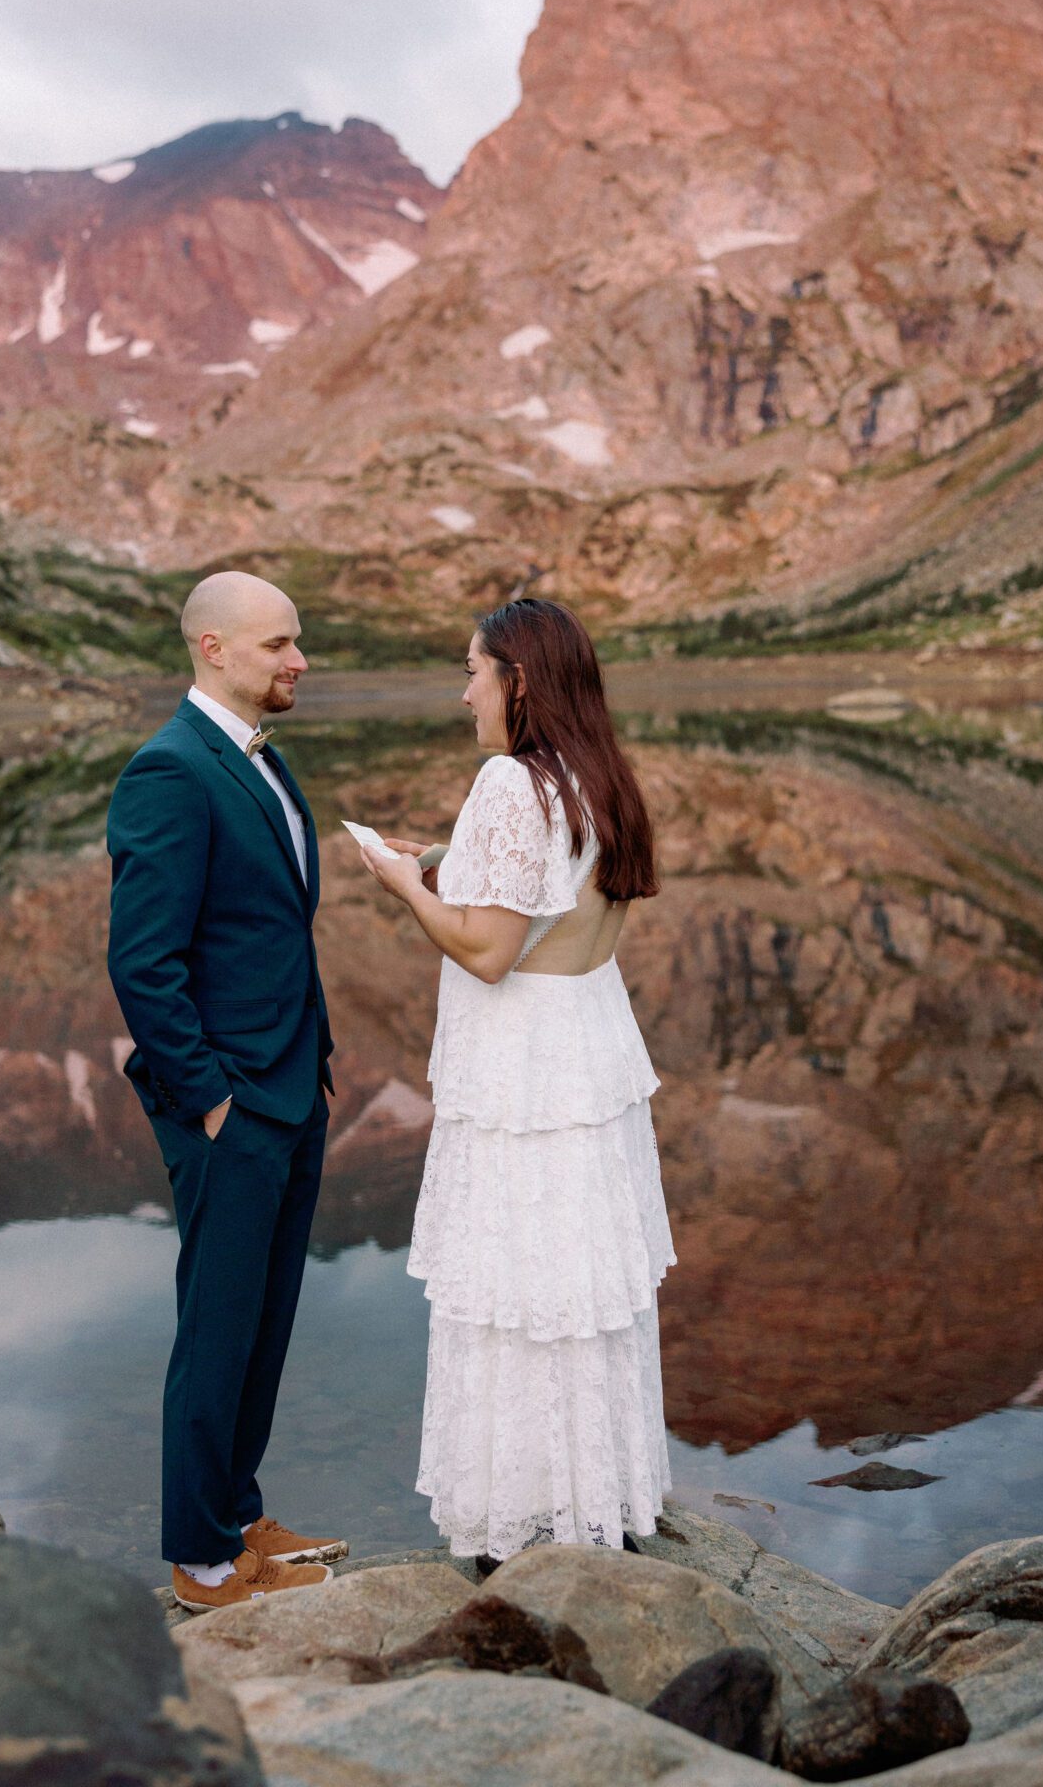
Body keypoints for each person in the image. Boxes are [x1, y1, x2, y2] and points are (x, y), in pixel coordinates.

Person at [359, 596, 674, 1563]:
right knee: (575, 1287)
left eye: (472, 672)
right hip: (586, 1053)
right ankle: (595, 1508)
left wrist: (401, 880)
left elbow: (489, 950)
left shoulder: (509, 781)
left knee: (512, 1284)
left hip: (523, 1070)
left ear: (519, 680)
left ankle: (518, 1526)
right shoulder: (599, 779)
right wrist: (448, 857)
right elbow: (549, 897)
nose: (464, 695)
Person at [106, 570, 346, 1610]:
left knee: (264, 1315)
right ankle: (201, 1561)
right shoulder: (168, 770)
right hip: (230, 1104)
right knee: (216, 1324)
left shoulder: (267, 759)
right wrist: (207, 1096)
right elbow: (141, 960)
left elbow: (270, 926)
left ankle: (239, 1514)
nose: (298, 661)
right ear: (212, 647)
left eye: (297, 642)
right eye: (277, 644)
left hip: (290, 1086)